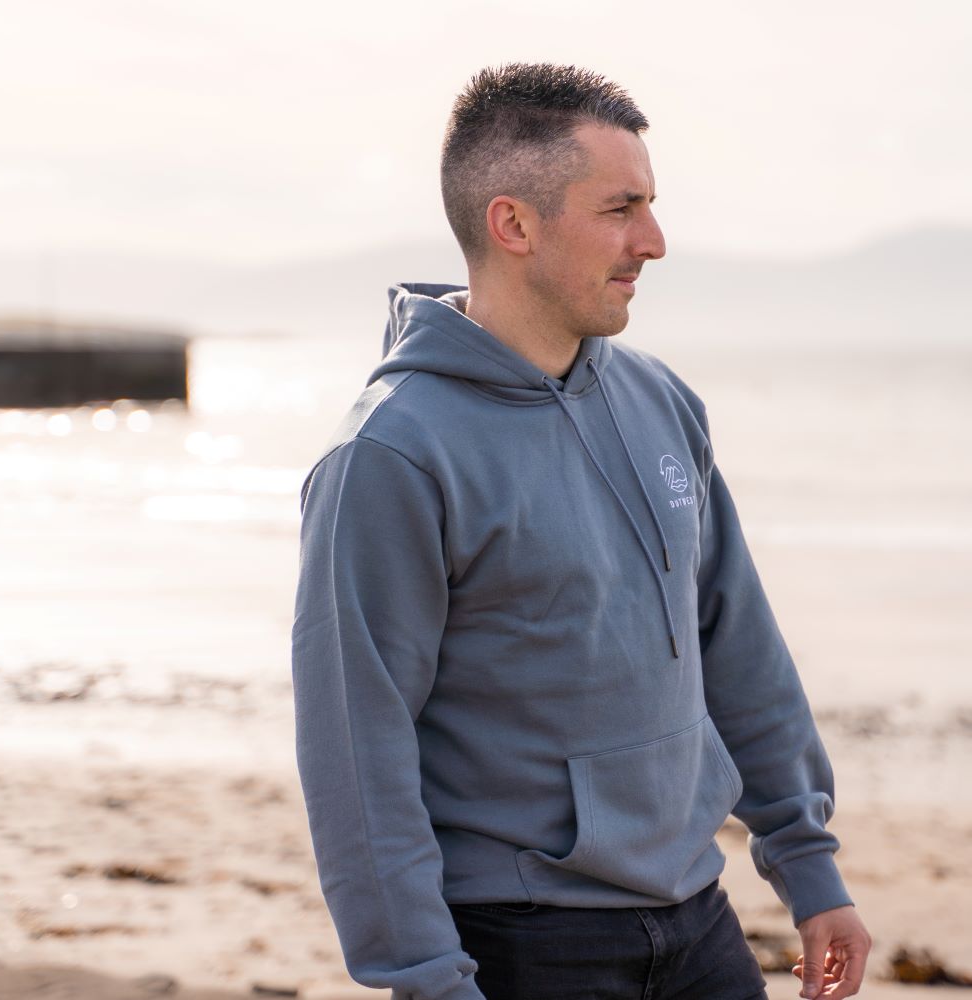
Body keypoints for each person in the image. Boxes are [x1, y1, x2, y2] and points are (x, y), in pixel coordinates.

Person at [290, 62, 870, 1000]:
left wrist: (809, 866)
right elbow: (357, 749)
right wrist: (427, 979)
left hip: (698, 919)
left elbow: (739, 643)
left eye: (651, 205)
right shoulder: (391, 455)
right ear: (513, 224)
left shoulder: (661, 399)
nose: (654, 240)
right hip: (520, 943)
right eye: (619, 208)